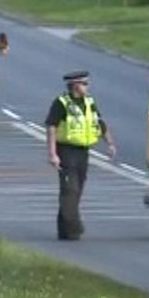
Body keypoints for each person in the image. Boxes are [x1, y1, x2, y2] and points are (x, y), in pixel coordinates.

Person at [44, 70, 117, 240]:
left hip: (83, 152)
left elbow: (99, 122)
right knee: (70, 190)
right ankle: (75, 227)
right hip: (66, 151)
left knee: (77, 192)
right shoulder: (61, 103)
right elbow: (51, 127)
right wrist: (52, 153)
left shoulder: (89, 102)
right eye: (85, 84)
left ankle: (64, 230)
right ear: (76, 85)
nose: (87, 87)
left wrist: (110, 143)